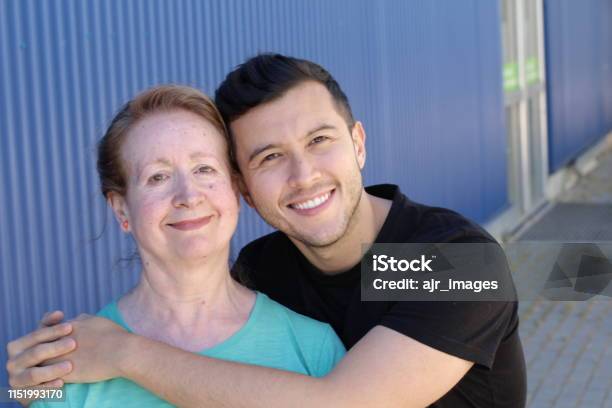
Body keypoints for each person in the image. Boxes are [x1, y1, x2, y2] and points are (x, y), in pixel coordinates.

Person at [7, 54, 527, 407]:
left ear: (359, 144)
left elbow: (340, 404)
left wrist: (123, 354)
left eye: (320, 140)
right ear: (246, 189)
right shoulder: (265, 267)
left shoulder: (455, 260)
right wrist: (37, 385)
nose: (304, 176)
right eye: (270, 156)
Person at [7, 84, 345, 407]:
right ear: (121, 209)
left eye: (204, 169)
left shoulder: (314, 348)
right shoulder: (70, 362)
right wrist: (28, 395)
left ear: (234, 189)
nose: (188, 196)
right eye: (157, 177)